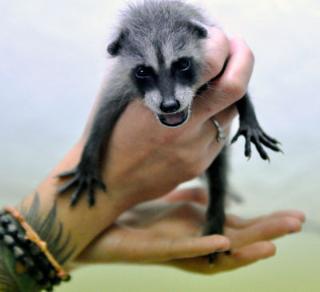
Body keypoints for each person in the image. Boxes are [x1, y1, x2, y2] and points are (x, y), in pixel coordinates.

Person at [0, 27, 304, 291]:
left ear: (199, 39)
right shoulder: (125, 77)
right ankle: (214, 220)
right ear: (122, 58)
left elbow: (232, 88)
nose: (168, 99)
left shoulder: (197, 52)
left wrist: (249, 123)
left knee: (218, 174)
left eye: (182, 66)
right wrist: (89, 166)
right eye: (145, 73)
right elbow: (104, 118)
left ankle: (215, 220)